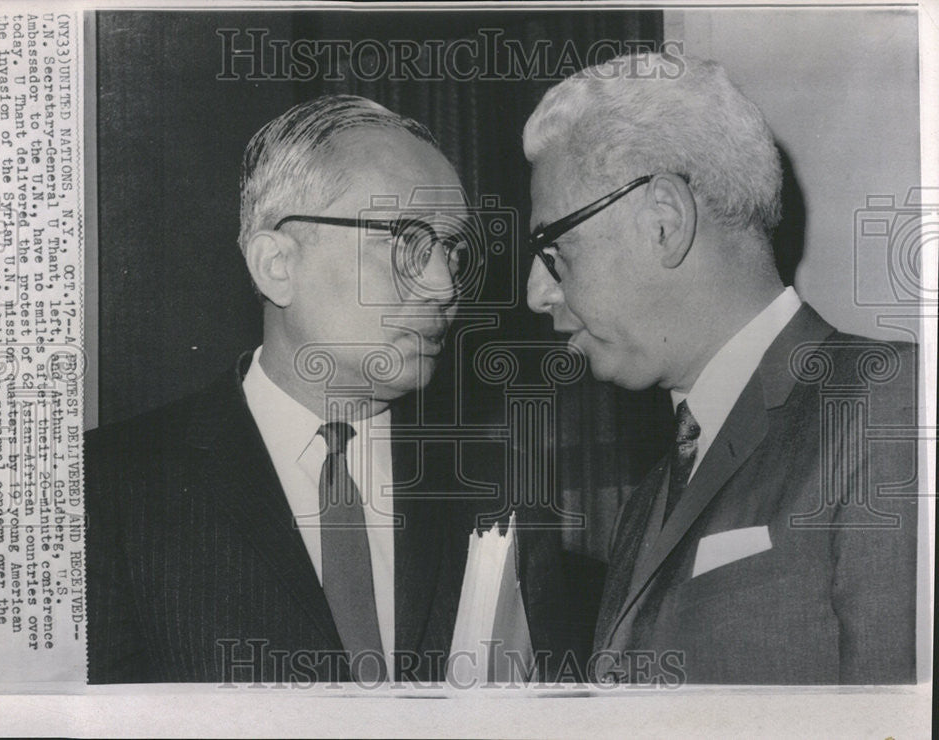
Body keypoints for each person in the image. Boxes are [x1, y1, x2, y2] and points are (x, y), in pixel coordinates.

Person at [85, 95, 579, 685]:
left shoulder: (504, 485)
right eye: (407, 242)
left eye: (452, 249)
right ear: (276, 265)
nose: (445, 284)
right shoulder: (106, 489)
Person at [523, 54, 918, 684]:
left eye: (554, 248)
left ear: (664, 221)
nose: (536, 292)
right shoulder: (647, 503)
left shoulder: (891, 406)